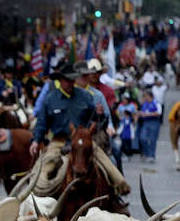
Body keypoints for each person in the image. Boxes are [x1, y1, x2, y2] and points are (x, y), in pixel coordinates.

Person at [30, 62, 127, 196]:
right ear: (60, 80)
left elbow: (97, 119)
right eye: (67, 80)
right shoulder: (50, 99)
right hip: (59, 142)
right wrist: (35, 141)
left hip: (84, 141)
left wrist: (100, 114)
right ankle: (38, 198)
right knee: (41, 173)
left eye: (72, 80)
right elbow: (41, 123)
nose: (70, 83)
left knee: (108, 164)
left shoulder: (85, 96)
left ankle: (119, 191)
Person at [138, 88, 163, 163]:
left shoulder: (156, 102)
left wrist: (148, 114)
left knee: (152, 140)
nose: (145, 98)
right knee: (142, 138)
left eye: (145, 96)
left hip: (154, 122)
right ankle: (146, 153)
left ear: (150, 96)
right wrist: (140, 114)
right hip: (146, 122)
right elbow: (143, 111)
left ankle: (152, 156)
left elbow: (158, 113)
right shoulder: (145, 103)